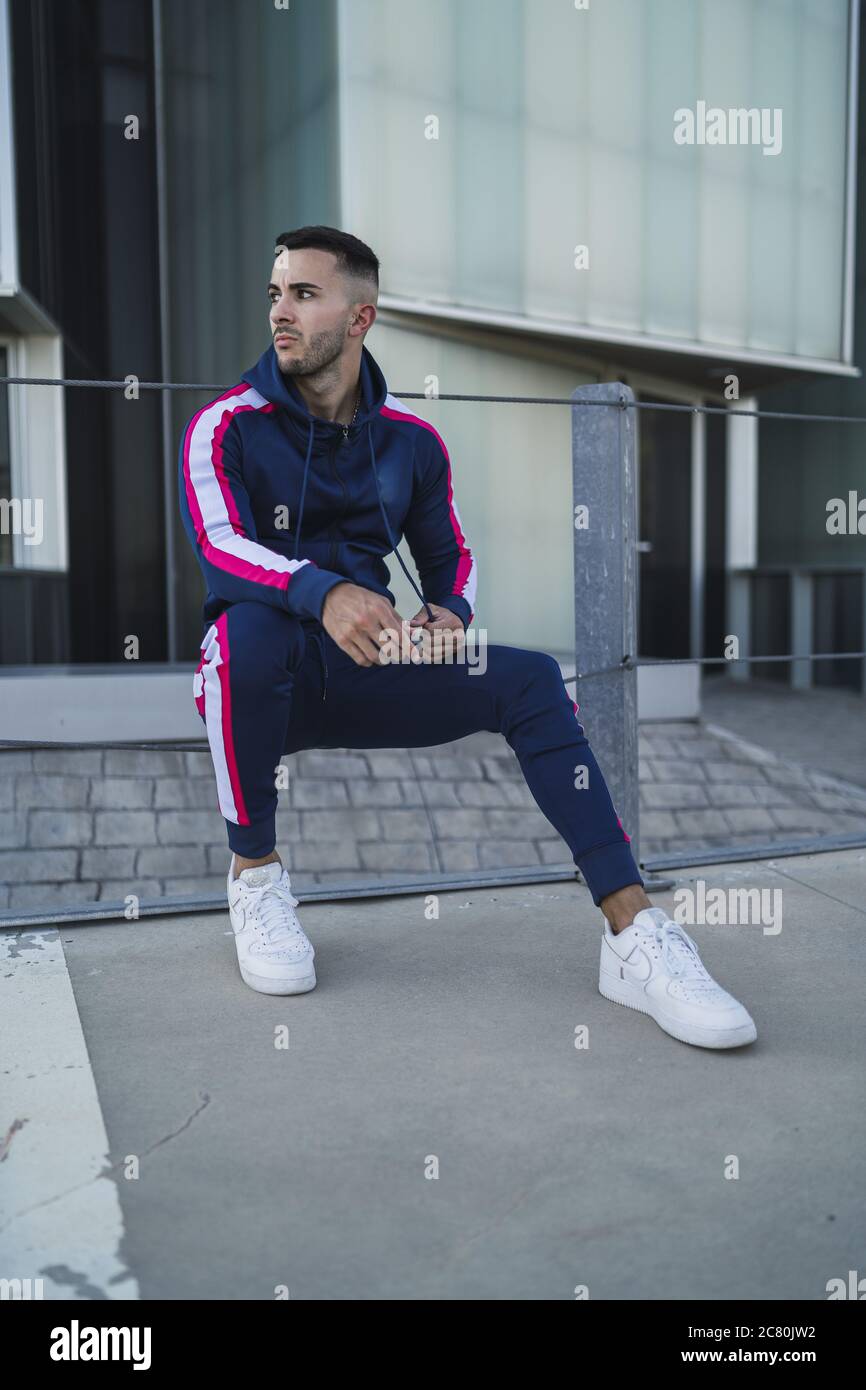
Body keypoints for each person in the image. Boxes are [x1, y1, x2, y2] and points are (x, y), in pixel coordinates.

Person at [177, 225, 756, 1050]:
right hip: (271, 679)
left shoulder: (412, 445)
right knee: (243, 636)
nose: (281, 312)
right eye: (276, 293)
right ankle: (256, 879)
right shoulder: (226, 426)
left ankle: (634, 937)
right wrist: (326, 591)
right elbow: (219, 546)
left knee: (526, 678)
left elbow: (453, 555)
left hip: (377, 664)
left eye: (304, 294)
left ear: (361, 315)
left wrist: (450, 613)